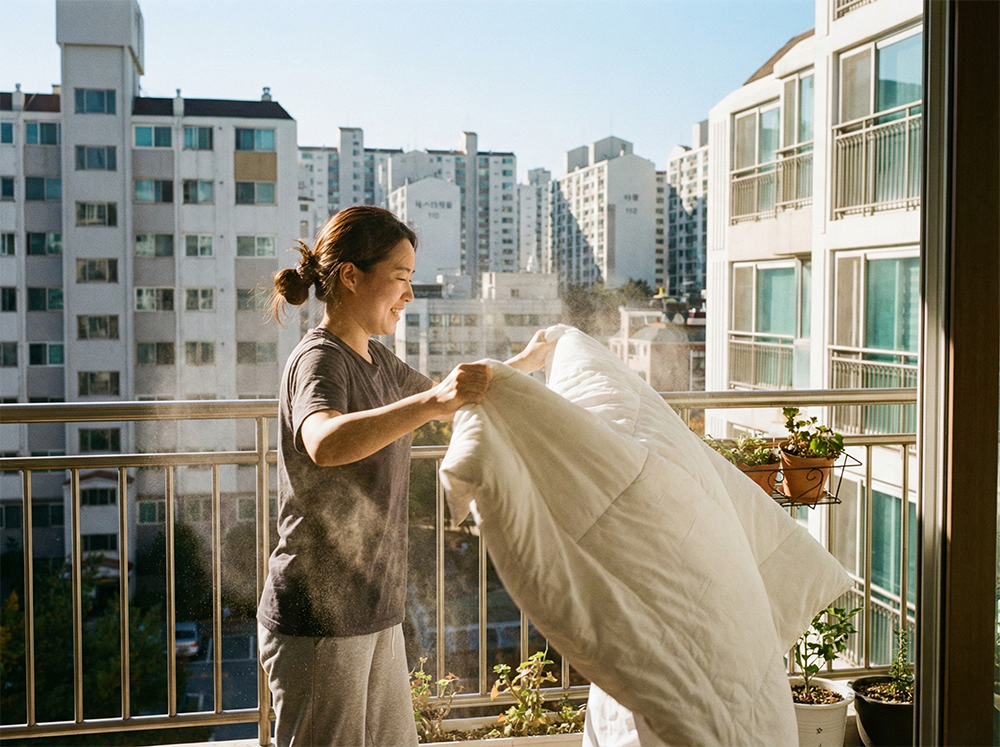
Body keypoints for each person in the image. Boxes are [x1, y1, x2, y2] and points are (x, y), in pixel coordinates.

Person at [256, 205, 554, 747]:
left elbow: (452, 389)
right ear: (351, 275)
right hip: (319, 617)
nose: (409, 296)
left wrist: (528, 364)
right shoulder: (318, 361)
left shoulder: (377, 361)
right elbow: (324, 441)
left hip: (373, 610)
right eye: (400, 279)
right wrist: (432, 401)